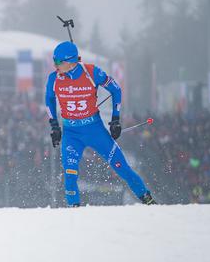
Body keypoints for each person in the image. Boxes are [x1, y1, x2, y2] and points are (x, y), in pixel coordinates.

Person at [45, 41, 156, 206]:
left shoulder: (91, 73)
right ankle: (73, 212)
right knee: (69, 175)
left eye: (58, 62)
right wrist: (54, 126)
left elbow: (116, 89)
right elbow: (49, 100)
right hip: (71, 134)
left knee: (121, 167)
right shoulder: (54, 78)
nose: (55, 65)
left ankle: (148, 199)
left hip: (94, 130)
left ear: (70, 61)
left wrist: (115, 120)